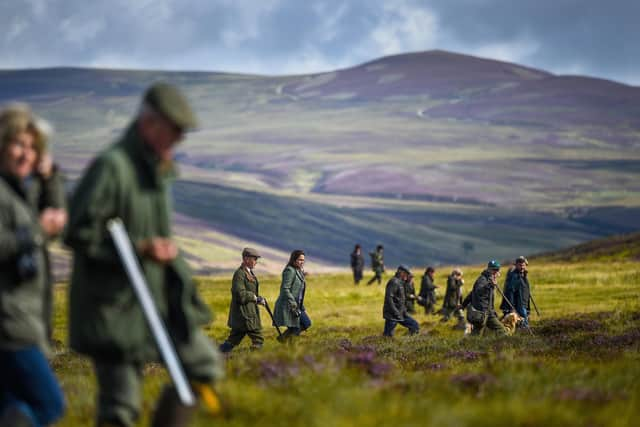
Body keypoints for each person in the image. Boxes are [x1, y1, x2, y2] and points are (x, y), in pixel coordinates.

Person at [64, 83, 224, 427]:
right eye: (175, 130)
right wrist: (141, 249)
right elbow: (77, 232)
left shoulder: (156, 172)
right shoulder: (112, 167)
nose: (179, 139)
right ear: (150, 123)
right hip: (114, 308)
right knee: (120, 408)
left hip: (157, 299)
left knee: (203, 364)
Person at [0, 105, 66, 426]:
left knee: (13, 406)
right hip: (11, 326)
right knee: (48, 404)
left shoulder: (16, 193)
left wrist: (49, 176)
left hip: (21, 320)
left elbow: (52, 215)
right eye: (18, 145)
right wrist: (38, 231)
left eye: (32, 147)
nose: (27, 154)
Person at [219, 248, 266, 353]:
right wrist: (255, 297)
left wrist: (258, 300)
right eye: (254, 259)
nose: (256, 262)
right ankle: (254, 361)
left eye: (256, 259)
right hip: (244, 314)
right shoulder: (239, 274)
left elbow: (249, 292)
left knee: (232, 340)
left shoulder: (248, 273)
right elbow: (240, 294)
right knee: (258, 339)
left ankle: (215, 355)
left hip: (247, 313)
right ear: (246, 259)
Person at [273, 250, 311, 341]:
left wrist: (301, 306)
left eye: (303, 260)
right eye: (300, 260)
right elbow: (285, 289)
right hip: (288, 305)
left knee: (306, 323)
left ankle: (283, 339)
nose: (302, 262)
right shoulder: (289, 270)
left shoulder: (298, 271)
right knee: (296, 328)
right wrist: (293, 304)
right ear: (294, 260)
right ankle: (291, 349)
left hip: (297, 306)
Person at [465, 260, 507, 336]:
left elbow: (472, 294)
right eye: (493, 270)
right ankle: (502, 344)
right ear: (488, 269)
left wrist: (463, 305)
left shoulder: (489, 279)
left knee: (476, 333)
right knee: (501, 330)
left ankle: (469, 345)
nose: (495, 272)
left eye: (497, 270)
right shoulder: (482, 280)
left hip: (484, 313)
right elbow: (478, 291)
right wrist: (490, 285)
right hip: (484, 313)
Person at [383, 265, 419, 337]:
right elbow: (389, 298)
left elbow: (401, 299)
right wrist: (396, 312)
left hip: (401, 313)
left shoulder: (400, 282)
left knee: (415, 326)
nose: (407, 276)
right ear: (401, 272)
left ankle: (406, 342)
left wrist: (403, 311)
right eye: (406, 273)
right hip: (392, 315)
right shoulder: (394, 282)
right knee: (387, 336)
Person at [500, 256, 531, 328]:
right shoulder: (515, 276)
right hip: (520, 303)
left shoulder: (523, 275)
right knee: (523, 320)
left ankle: (520, 332)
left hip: (524, 302)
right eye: (520, 265)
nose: (522, 267)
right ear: (516, 265)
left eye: (523, 265)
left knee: (521, 319)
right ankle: (523, 333)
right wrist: (511, 306)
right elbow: (511, 291)